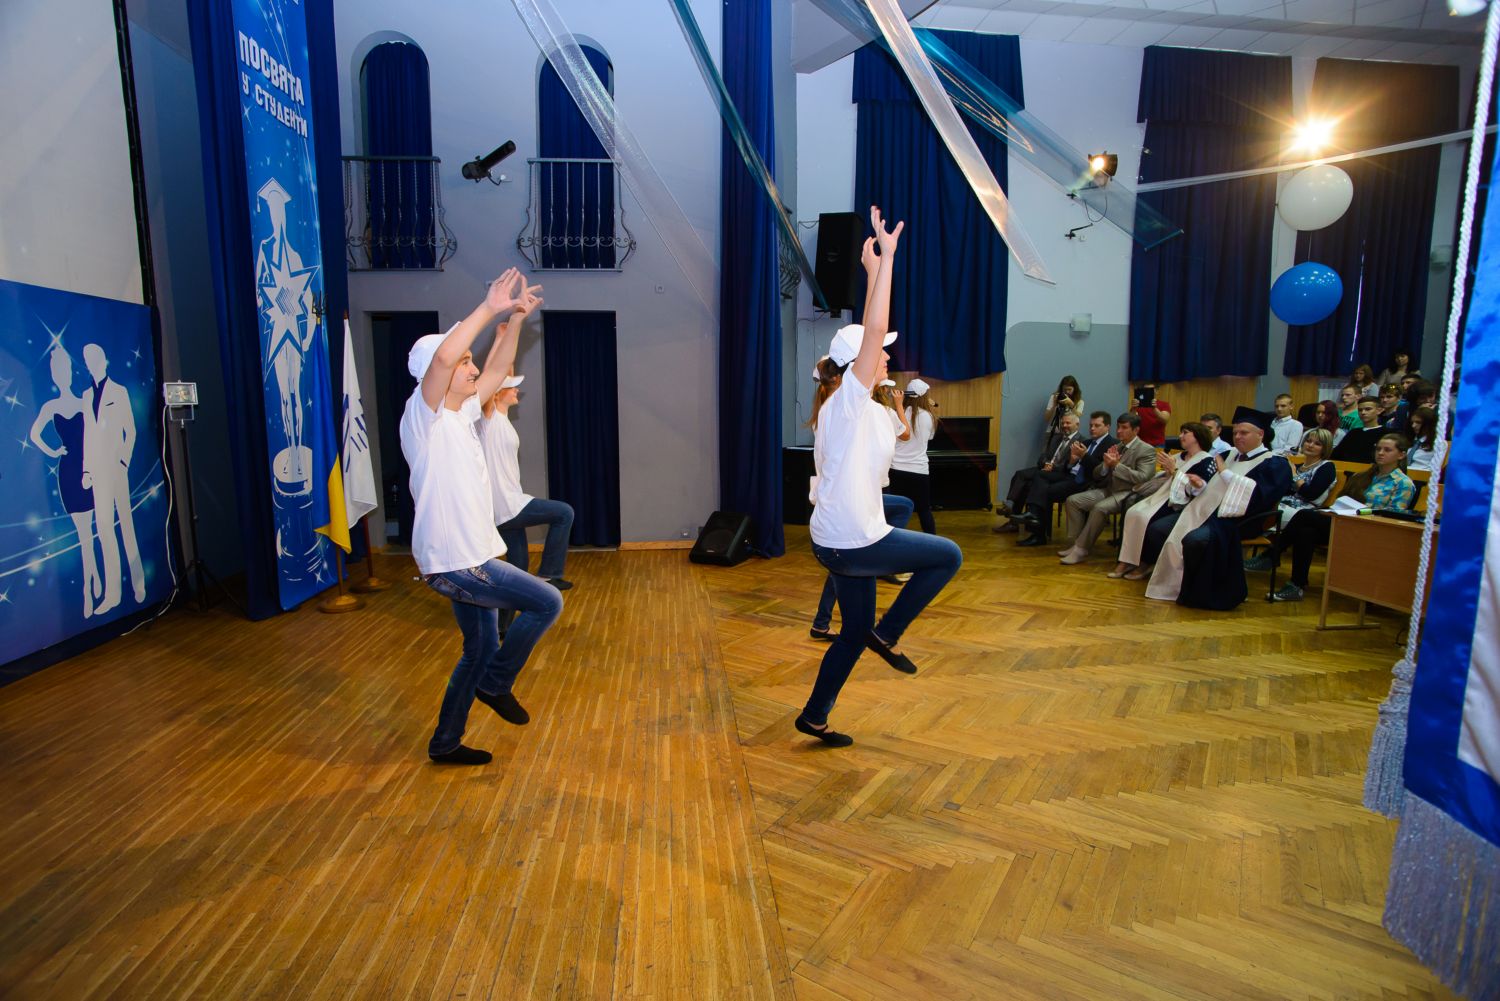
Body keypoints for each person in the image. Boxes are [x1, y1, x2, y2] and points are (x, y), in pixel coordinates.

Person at [799, 206, 961, 747]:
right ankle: (887, 633)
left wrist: (870, 275)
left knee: (850, 634)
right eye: (880, 355)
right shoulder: (848, 401)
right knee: (947, 555)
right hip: (852, 539)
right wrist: (887, 259)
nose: (888, 358)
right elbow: (870, 332)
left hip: (842, 536)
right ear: (858, 366)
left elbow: (870, 337)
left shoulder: (862, 407)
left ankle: (814, 716)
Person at [400, 269, 564, 766]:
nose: (472, 368)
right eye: (464, 361)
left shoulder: (462, 413)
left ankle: (445, 742)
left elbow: (498, 367)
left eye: (470, 360)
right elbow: (444, 357)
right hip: (458, 562)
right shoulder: (424, 417)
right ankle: (496, 683)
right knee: (547, 601)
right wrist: (489, 307)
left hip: (471, 555)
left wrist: (515, 321)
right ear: (438, 373)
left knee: (479, 646)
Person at [479, 283, 577, 593]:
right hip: (506, 505)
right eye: (513, 387)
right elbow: (492, 375)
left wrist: (503, 336)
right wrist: (507, 332)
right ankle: (549, 574)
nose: (518, 389)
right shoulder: (488, 418)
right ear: (498, 394)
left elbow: (503, 369)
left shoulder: (502, 418)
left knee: (518, 567)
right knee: (564, 512)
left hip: (507, 505)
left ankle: (509, 608)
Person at [807, 356, 913, 641]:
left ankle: (823, 622)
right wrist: (897, 407)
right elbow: (905, 435)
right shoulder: (841, 410)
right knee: (847, 559)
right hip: (845, 504)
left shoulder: (833, 409)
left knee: (845, 563)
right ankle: (881, 561)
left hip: (848, 502)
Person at [1145, 409, 1293, 610]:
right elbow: (1206, 486)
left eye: (1244, 433)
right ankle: (1179, 582)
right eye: (1235, 433)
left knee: (1195, 539)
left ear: (1260, 434)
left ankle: (1200, 590)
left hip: (1237, 520)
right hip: (1202, 510)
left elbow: (1258, 497)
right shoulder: (1226, 455)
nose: (1237, 437)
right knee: (1157, 528)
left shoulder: (1275, 463)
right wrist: (1197, 485)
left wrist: (1226, 474)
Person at [1261, 434, 1416, 602]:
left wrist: (1364, 512)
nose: (1380, 453)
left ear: (1401, 455)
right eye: (1378, 449)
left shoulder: (1403, 483)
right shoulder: (1363, 476)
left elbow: (1393, 516)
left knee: (1304, 515)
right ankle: (1296, 585)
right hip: (1345, 523)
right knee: (1306, 531)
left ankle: (1272, 555)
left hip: (1372, 530)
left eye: (1387, 450)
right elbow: (1342, 500)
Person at [28, 346, 100, 617]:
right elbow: (35, 434)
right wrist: (54, 451)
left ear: (70, 371)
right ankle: (88, 588)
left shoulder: (84, 402)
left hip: (89, 469)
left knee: (94, 532)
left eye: (65, 369)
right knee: (83, 536)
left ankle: (95, 581)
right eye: (57, 370)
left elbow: (95, 435)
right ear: (54, 375)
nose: (62, 374)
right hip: (69, 472)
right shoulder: (51, 406)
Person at [1109, 422, 1218, 579]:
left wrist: (1174, 471)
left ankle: (1146, 562)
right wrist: (1167, 472)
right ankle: (1127, 560)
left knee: (1145, 518)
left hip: (1181, 503)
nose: (1180, 436)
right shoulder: (1177, 457)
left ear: (1198, 437)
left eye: (1185, 432)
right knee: (1132, 513)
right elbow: (1163, 479)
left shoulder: (1206, 460)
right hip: (1161, 495)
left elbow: (1196, 490)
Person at [82, 343, 145, 612]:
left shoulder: (118, 391)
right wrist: (86, 470)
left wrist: (123, 462)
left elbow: (130, 430)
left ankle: (138, 583)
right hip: (98, 474)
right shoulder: (86, 396)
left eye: (94, 358)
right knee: (105, 529)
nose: (90, 363)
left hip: (117, 470)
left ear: (103, 360)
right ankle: (113, 594)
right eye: (87, 359)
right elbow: (87, 436)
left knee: (126, 525)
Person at [1057, 412, 1159, 565]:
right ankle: (1076, 543)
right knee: (1073, 501)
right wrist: (1105, 465)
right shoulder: (1117, 446)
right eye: (1118, 427)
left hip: (1128, 493)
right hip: (1109, 489)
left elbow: (1143, 478)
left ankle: (1081, 549)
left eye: (1124, 427)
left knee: (1099, 508)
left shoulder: (1146, 450)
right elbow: (1097, 474)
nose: (1119, 431)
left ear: (1136, 430)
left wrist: (1117, 465)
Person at [1011, 410, 1115, 546]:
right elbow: (1069, 466)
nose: (1092, 428)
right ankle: (1033, 517)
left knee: (1042, 491)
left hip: (1084, 482)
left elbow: (1099, 471)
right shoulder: (1087, 442)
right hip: (1069, 475)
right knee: (1039, 475)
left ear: (1107, 427)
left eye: (1097, 425)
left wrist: (1084, 456)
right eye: (1091, 425)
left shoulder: (1111, 444)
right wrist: (1072, 461)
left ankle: (1037, 531)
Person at [996, 411, 1079, 532]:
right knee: (1020, 475)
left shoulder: (1081, 441)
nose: (1064, 425)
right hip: (1045, 470)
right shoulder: (1056, 438)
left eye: (1068, 423)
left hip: (1060, 475)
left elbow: (1072, 465)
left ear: (1077, 424)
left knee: (1025, 481)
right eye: (1063, 423)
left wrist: (1053, 467)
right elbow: (1043, 456)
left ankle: (1011, 513)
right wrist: (1046, 463)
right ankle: (1011, 513)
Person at [888, 377, 939, 534]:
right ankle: (933, 542)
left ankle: (893, 542)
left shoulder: (897, 414)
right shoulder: (929, 416)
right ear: (924, 396)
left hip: (896, 470)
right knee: (924, 510)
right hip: (919, 470)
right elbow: (929, 438)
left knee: (895, 511)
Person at [1043, 375, 1085, 455]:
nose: (1067, 392)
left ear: (1075, 389)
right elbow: (1046, 418)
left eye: (1069, 389)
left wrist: (1071, 404)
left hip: (1068, 434)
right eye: (1065, 389)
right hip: (1052, 432)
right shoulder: (1054, 397)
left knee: (1062, 457)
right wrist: (1055, 404)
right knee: (1046, 456)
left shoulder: (1079, 401)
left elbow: (1077, 417)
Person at [1405, 406, 1439, 471]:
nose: (1413, 426)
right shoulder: (1410, 439)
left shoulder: (1438, 443)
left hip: (1423, 474)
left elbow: (1436, 468)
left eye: (1418, 422)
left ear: (1429, 424)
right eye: (1412, 422)